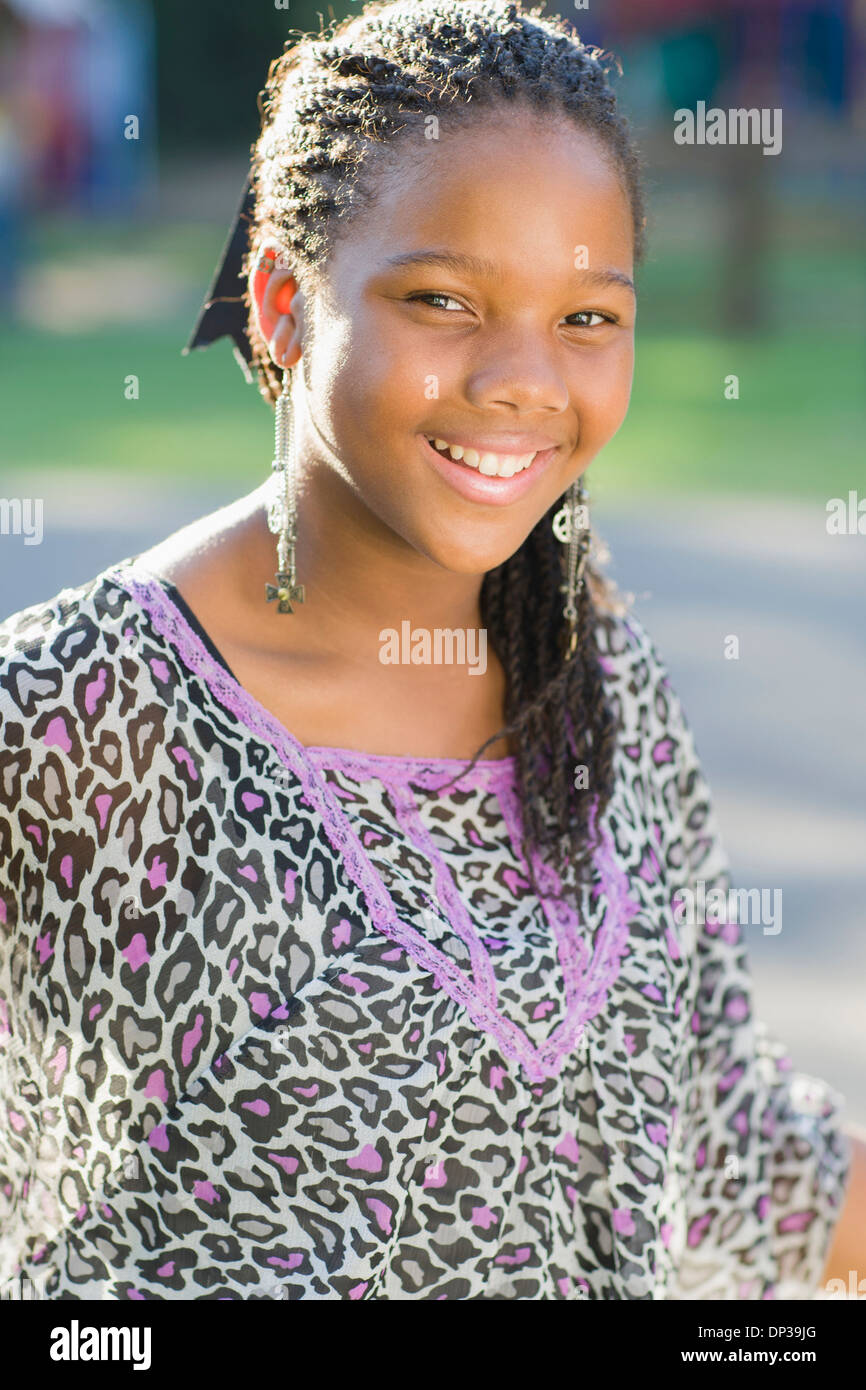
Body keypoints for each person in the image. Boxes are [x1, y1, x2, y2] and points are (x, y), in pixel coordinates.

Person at [0, 0, 862, 1301]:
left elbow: (720, 1139)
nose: (523, 380)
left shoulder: (591, 665)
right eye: (444, 300)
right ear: (284, 302)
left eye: (586, 318)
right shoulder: (77, 712)